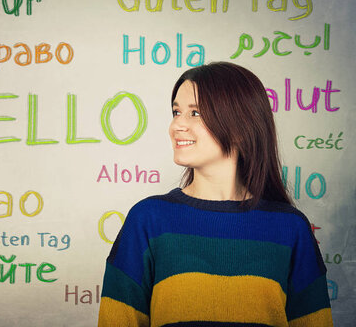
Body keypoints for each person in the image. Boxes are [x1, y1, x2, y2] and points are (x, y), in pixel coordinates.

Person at [98, 62, 333, 326]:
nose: (177, 125)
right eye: (176, 111)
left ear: (240, 127)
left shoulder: (291, 228)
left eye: (195, 113)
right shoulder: (148, 220)